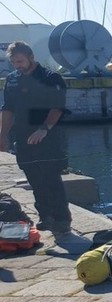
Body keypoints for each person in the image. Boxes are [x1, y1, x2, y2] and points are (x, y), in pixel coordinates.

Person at [0, 42, 72, 235]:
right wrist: (2, 135)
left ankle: (62, 219)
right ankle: (45, 216)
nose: (17, 66)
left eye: (20, 61)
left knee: (51, 178)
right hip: (23, 136)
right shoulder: (12, 79)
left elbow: (57, 107)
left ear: (31, 57)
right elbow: (7, 109)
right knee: (34, 178)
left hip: (48, 136)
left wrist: (44, 129)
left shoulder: (51, 78)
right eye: (14, 62)